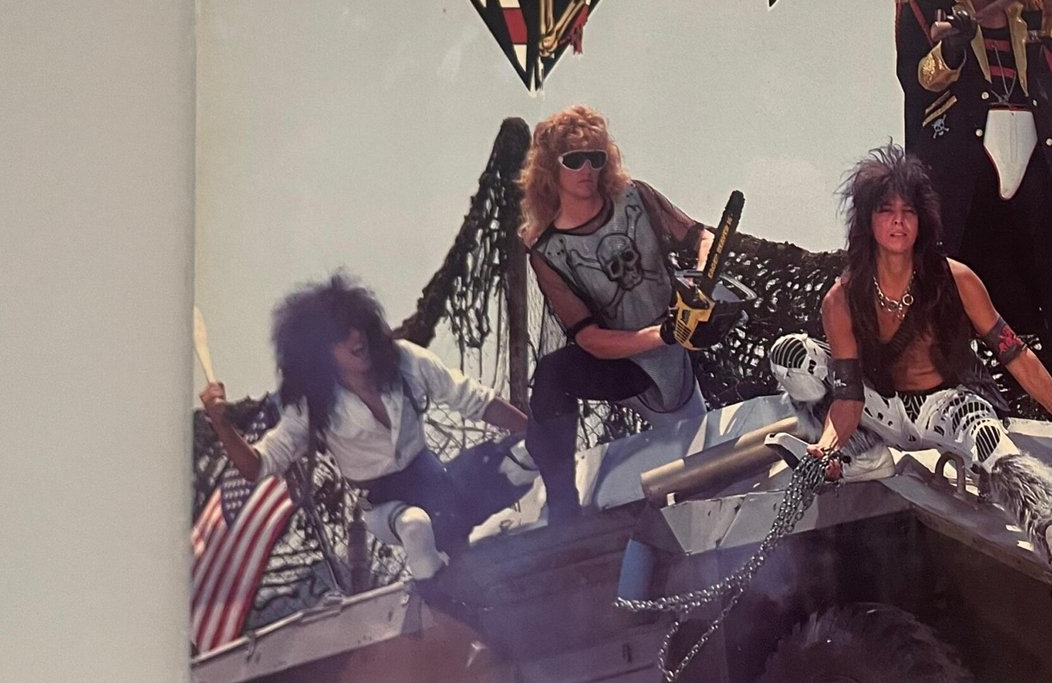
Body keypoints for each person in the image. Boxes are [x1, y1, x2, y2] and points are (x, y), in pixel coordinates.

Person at [767, 146, 1052, 603]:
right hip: (878, 408)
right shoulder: (841, 299)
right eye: (886, 210)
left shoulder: (956, 279)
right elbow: (848, 396)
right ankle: (860, 457)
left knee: (995, 448)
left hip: (947, 405)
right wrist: (826, 446)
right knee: (793, 354)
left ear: (922, 219)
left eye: (908, 211)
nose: (898, 221)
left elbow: (1014, 352)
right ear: (867, 220)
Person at [894, 0, 1052, 420]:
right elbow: (916, 79)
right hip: (963, 157)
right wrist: (951, 50)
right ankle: (960, 399)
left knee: (1050, 272)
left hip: (1033, 147)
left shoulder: (1026, 3)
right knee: (954, 273)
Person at [198, 275, 530, 586]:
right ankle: (438, 595)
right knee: (416, 527)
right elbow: (257, 465)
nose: (355, 337)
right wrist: (222, 424)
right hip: (385, 504)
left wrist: (536, 432)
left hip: (435, 483)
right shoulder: (313, 403)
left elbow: (476, 400)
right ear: (320, 352)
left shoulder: (405, 361)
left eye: (357, 325)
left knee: (524, 457)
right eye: (340, 335)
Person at [519, 105, 742, 524]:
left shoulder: (636, 197)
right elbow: (587, 337)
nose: (587, 169)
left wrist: (702, 279)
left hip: (676, 368)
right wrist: (664, 334)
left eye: (596, 157)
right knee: (551, 376)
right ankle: (562, 504)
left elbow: (703, 237)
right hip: (623, 365)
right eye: (574, 160)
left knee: (705, 472)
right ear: (550, 168)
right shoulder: (548, 253)